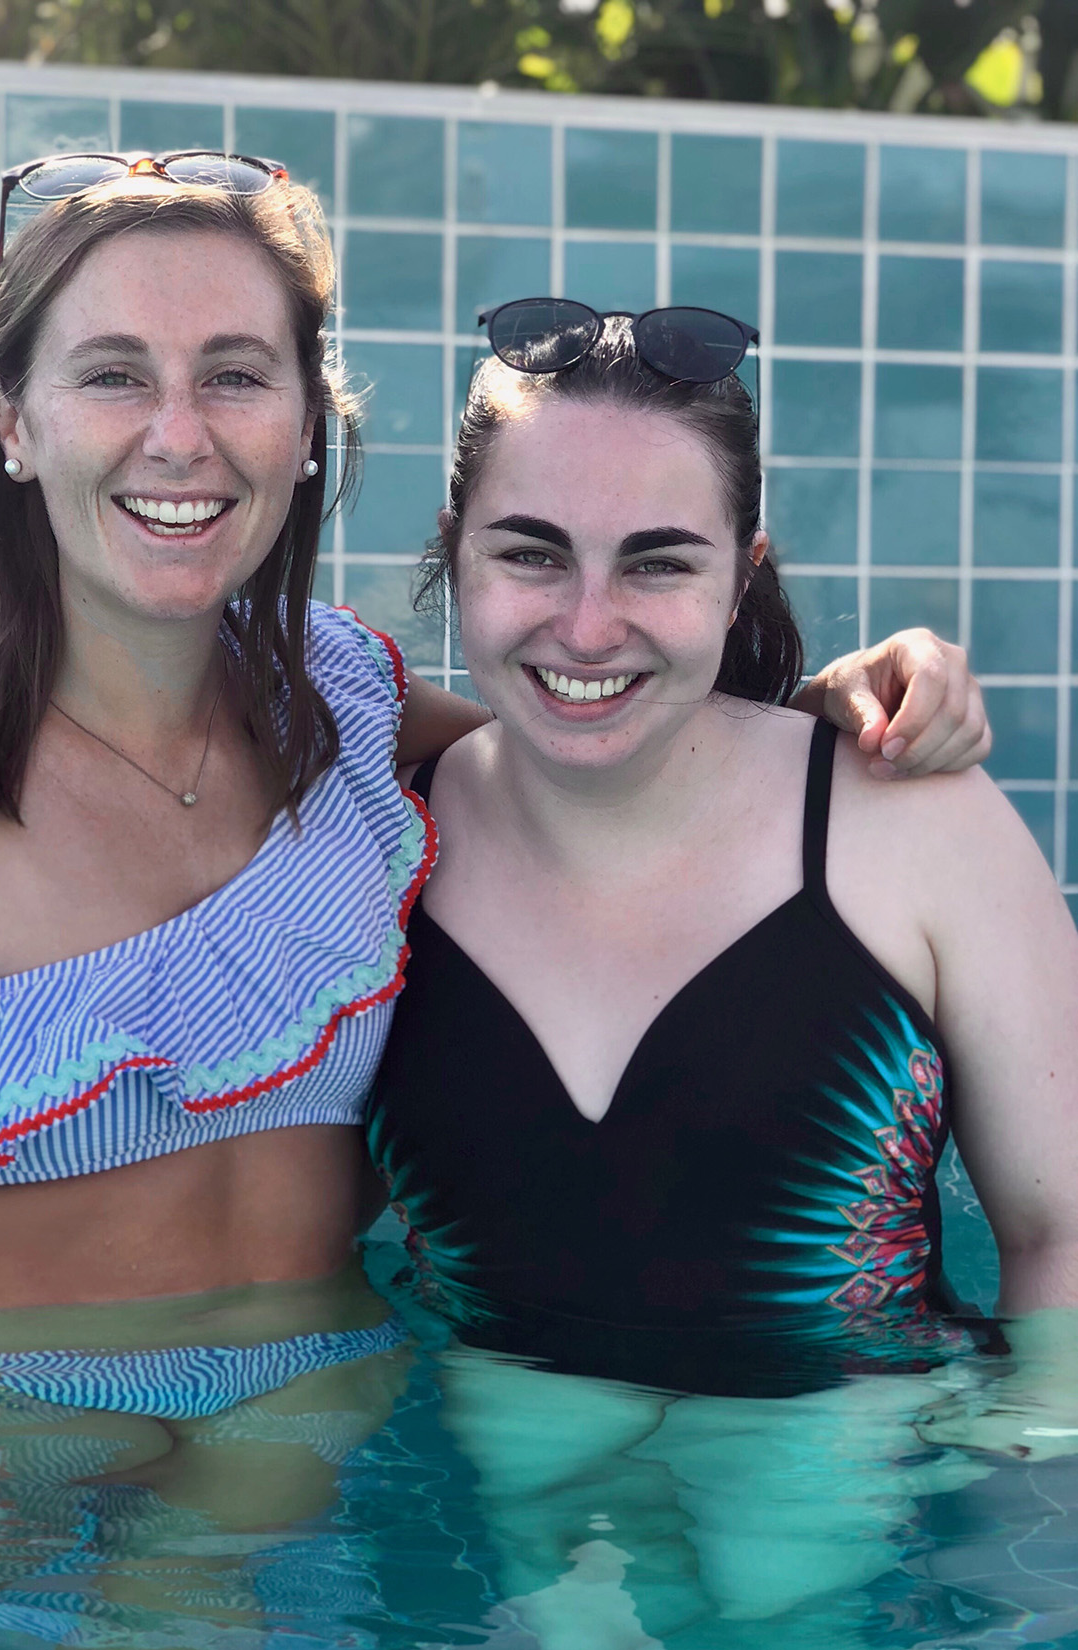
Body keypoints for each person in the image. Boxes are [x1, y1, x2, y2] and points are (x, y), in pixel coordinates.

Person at [0, 159, 987, 1566]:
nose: (179, 436)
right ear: (13, 419)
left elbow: (609, 756)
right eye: (114, 375)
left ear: (307, 425)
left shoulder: (360, 719)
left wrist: (834, 715)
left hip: (298, 1459)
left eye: (237, 375)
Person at [361, 301, 1078, 1632]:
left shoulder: (910, 824)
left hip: (861, 1498)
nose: (586, 625)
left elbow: (1062, 1232)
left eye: (655, 564)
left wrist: (1019, 1545)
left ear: (738, 576)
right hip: (510, 1499)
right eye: (530, 553)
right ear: (450, 553)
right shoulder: (364, 854)